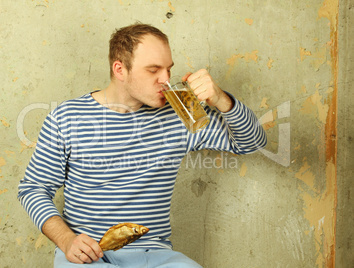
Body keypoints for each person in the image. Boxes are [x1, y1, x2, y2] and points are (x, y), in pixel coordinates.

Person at [18, 23, 267, 267]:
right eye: (153, 70)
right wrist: (66, 239)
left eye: (168, 69)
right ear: (120, 70)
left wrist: (222, 99)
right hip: (89, 255)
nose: (166, 80)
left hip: (154, 255)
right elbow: (33, 188)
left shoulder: (180, 113)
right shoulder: (67, 117)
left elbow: (252, 142)